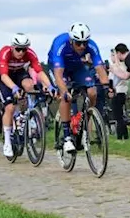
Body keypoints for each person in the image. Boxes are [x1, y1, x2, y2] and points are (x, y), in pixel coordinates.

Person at [47, 22, 110, 154]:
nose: (82, 46)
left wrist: (107, 86)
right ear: (71, 40)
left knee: (92, 91)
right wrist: (64, 91)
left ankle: (87, 117)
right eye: (78, 43)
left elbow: (100, 68)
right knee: (66, 98)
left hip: (77, 67)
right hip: (59, 68)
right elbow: (58, 75)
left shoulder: (92, 45)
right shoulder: (61, 44)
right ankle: (67, 138)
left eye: (84, 43)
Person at [0, 33, 53, 157]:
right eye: (18, 49)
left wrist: (49, 86)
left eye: (24, 49)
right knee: (10, 107)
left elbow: (39, 71)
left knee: (29, 85)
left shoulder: (30, 53)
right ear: (12, 47)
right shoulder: (5, 52)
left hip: (19, 73)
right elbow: (4, 75)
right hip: (5, 77)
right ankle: (7, 141)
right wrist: (14, 88)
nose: (21, 52)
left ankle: (24, 114)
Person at [108, 48, 130, 140]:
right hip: (119, 92)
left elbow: (113, 80)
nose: (111, 57)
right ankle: (124, 135)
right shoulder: (116, 67)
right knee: (119, 115)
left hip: (118, 92)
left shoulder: (117, 67)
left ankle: (121, 136)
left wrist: (110, 90)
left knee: (118, 116)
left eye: (113, 55)